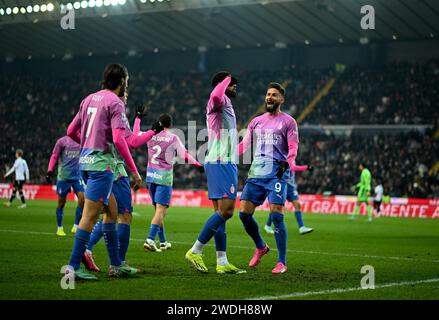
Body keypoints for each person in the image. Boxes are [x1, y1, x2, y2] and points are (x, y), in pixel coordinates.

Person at [63, 63, 145, 280]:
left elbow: (71, 131)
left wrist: (88, 144)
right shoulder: (115, 102)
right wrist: (134, 171)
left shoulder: (88, 99)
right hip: (102, 167)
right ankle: (72, 268)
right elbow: (119, 139)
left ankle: (116, 264)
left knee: (111, 211)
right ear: (122, 82)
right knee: (90, 217)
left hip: (86, 163)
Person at [81, 93, 161, 273]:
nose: (126, 95)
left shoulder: (103, 110)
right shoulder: (117, 110)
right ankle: (119, 263)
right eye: (125, 92)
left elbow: (130, 136)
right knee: (124, 215)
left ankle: (88, 250)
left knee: (110, 214)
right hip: (115, 169)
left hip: (95, 164)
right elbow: (132, 141)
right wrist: (153, 131)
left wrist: (138, 119)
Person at [185, 72, 245, 274]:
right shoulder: (218, 99)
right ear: (222, 84)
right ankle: (195, 250)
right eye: (231, 83)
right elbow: (216, 96)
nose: (234, 86)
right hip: (221, 162)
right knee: (227, 211)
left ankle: (222, 261)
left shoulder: (225, 102)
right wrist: (226, 78)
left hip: (222, 160)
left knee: (220, 214)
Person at [237, 82, 300, 274]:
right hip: (257, 172)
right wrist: (227, 156)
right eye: (267, 94)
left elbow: (294, 147)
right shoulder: (256, 121)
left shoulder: (289, 121)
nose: (269, 98)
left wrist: (287, 163)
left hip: (277, 173)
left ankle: (282, 262)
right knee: (244, 214)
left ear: (281, 99)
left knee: (276, 214)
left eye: (273, 95)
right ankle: (261, 246)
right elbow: (244, 145)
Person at [144, 114, 203, 252]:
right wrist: (197, 164)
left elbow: (135, 136)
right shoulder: (173, 137)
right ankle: (150, 239)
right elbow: (183, 155)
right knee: (161, 211)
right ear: (170, 125)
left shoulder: (150, 135)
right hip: (164, 178)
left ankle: (163, 242)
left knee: (158, 212)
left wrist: (138, 119)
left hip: (151, 176)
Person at [46, 136, 85, 236]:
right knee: (61, 203)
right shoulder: (62, 141)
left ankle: (76, 226)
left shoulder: (83, 139)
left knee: (82, 199)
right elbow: (54, 155)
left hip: (77, 177)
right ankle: (59, 228)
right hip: (64, 177)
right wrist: (49, 170)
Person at [264, 165, 314, 235]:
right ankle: (268, 225)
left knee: (297, 205)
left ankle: (301, 227)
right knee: (277, 207)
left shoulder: (294, 154)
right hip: (282, 183)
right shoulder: (287, 154)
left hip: (290, 186)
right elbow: (291, 167)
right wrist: (306, 167)